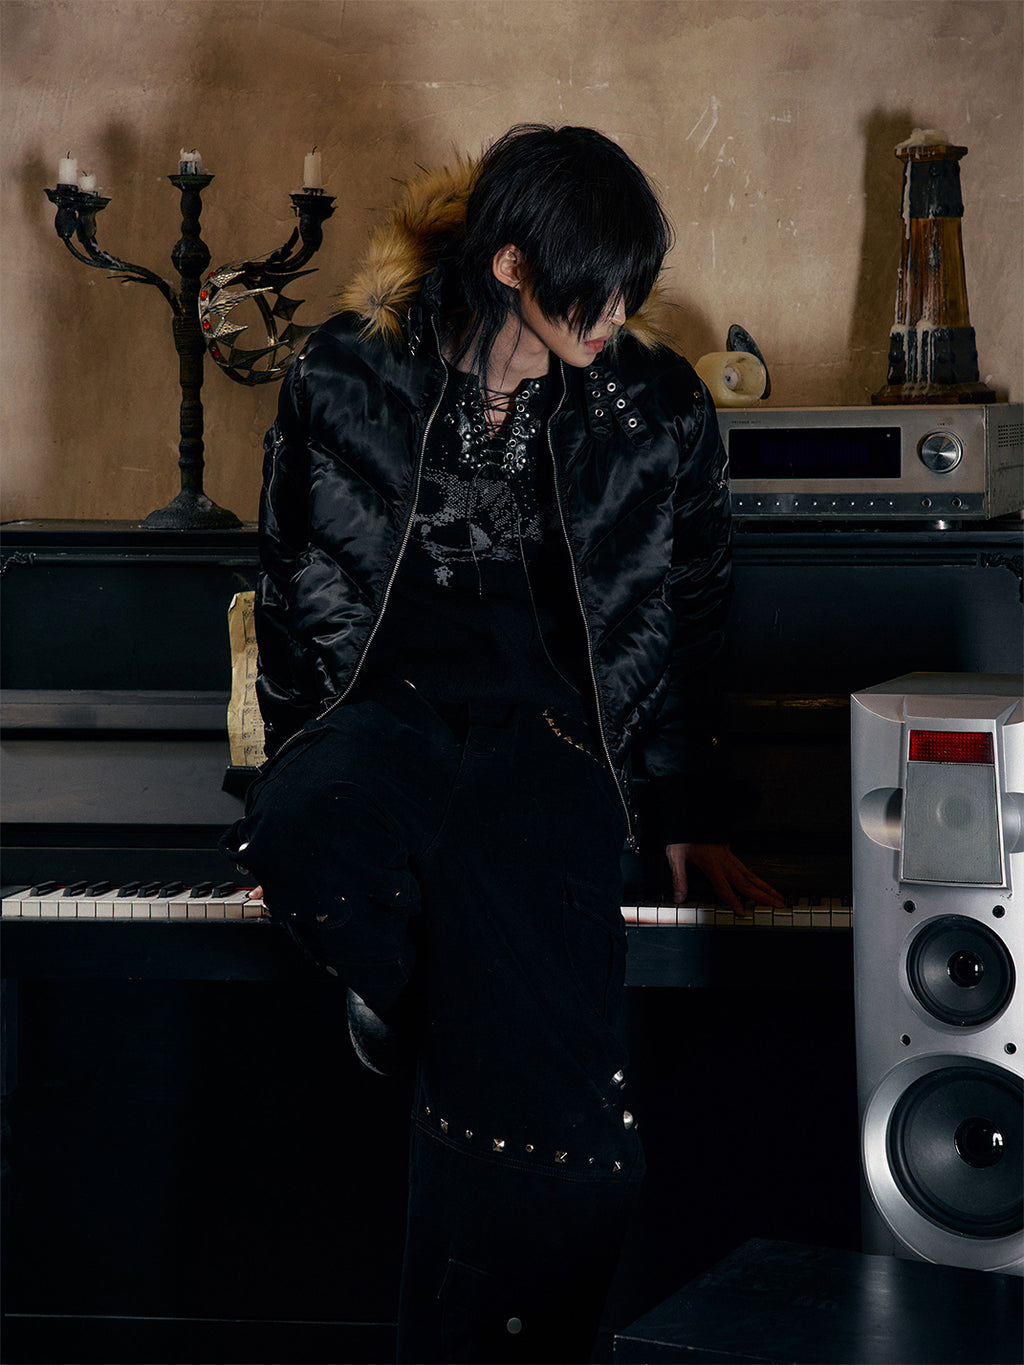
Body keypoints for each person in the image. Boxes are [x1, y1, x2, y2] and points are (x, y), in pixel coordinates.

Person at [222, 124, 783, 1364]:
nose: (618, 314)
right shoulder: (342, 372)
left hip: (556, 737)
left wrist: (686, 808)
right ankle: (416, 1002)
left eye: (633, 285)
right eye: (598, 287)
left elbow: (693, 611)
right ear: (514, 265)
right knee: (307, 838)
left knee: (546, 1083)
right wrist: (283, 777)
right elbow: (292, 583)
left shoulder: (654, 402)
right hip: (386, 715)